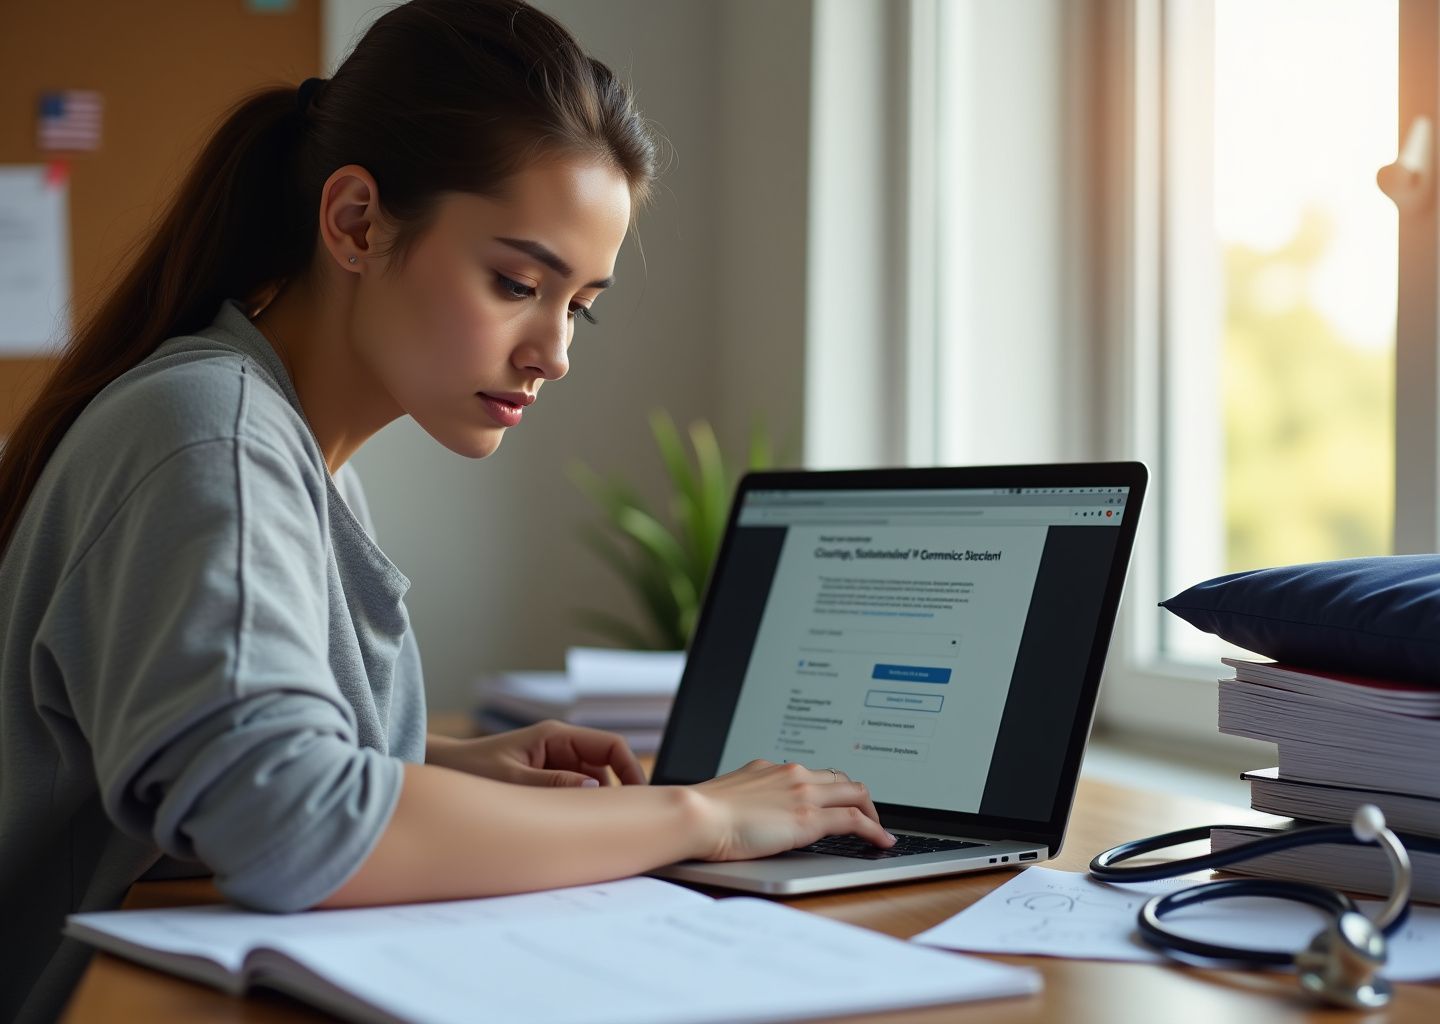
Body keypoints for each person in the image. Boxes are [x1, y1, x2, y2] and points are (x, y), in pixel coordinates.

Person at [0, 1, 894, 1019]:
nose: (553, 352)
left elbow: (197, 768)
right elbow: (286, 821)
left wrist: (432, 767)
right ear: (355, 222)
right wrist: (695, 814)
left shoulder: (291, 443)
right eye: (518, 281)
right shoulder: (214, 435)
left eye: (579, 306)